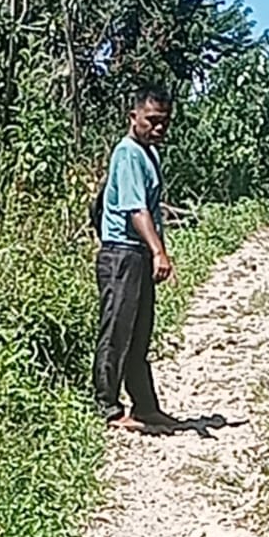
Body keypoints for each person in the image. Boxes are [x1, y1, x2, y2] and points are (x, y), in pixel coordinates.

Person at [93, 87, 180, 432]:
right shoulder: (128, 153)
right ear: (133, 117)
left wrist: (155, 251)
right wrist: (159, 251)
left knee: (139, 333)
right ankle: (108, 408)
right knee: (117, 331)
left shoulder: (148, 153)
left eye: (164, 122)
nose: (158, 128)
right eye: (152, 120)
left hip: (137, 253)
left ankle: (145, 407)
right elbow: (136, 209)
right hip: (122, 254)